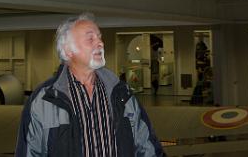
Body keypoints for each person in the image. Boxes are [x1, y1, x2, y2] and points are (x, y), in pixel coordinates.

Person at [15, 13, 164, 156]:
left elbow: (147, 145)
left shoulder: (121, 92)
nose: (100, 43)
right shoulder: (44, 100)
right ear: (68, 51)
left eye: (99, 37)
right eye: (90, 39)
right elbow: (30, 152)